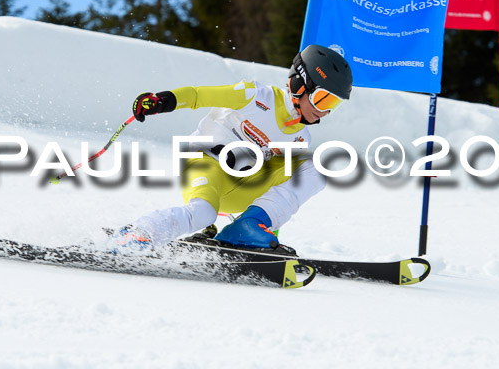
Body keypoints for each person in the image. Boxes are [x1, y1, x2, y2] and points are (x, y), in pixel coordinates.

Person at [109, 44, 353, 252]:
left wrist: (269, 235)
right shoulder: (256, 97)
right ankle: (139, 234)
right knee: (203, 213)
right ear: (300, 84)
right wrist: (163, 100)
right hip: (205, 163)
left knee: (315, 169)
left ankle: (247, 229)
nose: (324, 111)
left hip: (243, 184)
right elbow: (199, 96)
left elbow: (283, 193)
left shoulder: (301, 137)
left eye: (334, 105)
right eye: (323, 99)